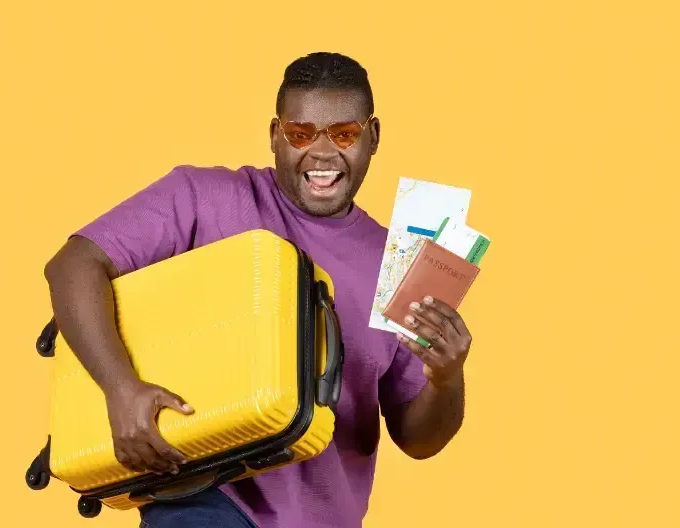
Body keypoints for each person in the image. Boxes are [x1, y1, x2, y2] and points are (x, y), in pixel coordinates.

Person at [43, 52, 473, 528]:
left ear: (373, 137)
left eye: (345, 134)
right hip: (205, 498)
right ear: (275, 135)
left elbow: (417, 439)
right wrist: (120, 388)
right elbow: (74, 264)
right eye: (300, 134)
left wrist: (445, 376)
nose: (323, 153)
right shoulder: (203, 198)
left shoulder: (402, 265)